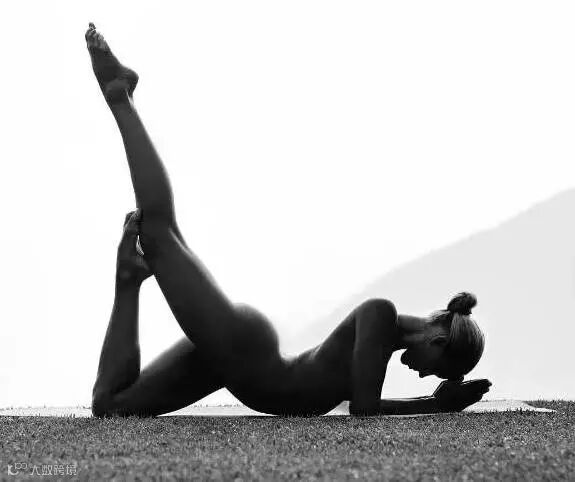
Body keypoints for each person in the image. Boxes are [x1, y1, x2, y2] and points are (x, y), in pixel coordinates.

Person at [86, 23, 491, 418]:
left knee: (111, 406)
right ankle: (121, 98)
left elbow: (359, 402)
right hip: (247, 355)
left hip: (244, 365)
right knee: (159, 231)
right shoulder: (381, 316)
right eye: (437, 370)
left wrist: (436, 401)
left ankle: (129, 280)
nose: (424, 375)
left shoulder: (382, 342)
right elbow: (364, 408)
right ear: (438, 341)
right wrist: (435, 404)